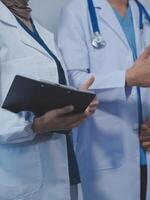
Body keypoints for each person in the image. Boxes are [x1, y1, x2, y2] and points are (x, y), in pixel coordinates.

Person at [57, 0, 150, 199]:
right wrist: (126, 78)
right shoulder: (75, 12)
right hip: (105, 148)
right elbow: (72, 80)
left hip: (149, 149)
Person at [0, 0, 98, 199]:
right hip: (20, 176)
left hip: (62, 167)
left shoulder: (40, 28)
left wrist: (77, 102)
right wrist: (36, 124)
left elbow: (46, 87)